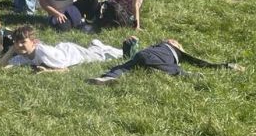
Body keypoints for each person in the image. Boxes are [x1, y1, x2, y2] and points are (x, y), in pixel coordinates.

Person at [87, 38, 245, 85]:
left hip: (143, 56)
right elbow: (200, 62)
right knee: (172, 69)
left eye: (175, 41)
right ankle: (190, 75)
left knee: (125, 66)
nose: (173, 41)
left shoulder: (174, 51)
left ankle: (109, 77)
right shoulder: (166, 48)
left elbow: (200, 61)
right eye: (172, 40)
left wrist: (226, 66)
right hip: (150, 57)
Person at [2, 25, 121, 71]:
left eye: (23, 42)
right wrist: (12, 49)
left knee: (102, 57)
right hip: (60, 49)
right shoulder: (24, 55)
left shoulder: (41, 52)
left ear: (34, 42)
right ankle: (95, 45)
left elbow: (64, 69)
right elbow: (1, 66)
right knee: (95, 52)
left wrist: (47, 71)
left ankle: (121, 50)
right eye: (16, 42)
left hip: (72, 53)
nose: (19, 45)